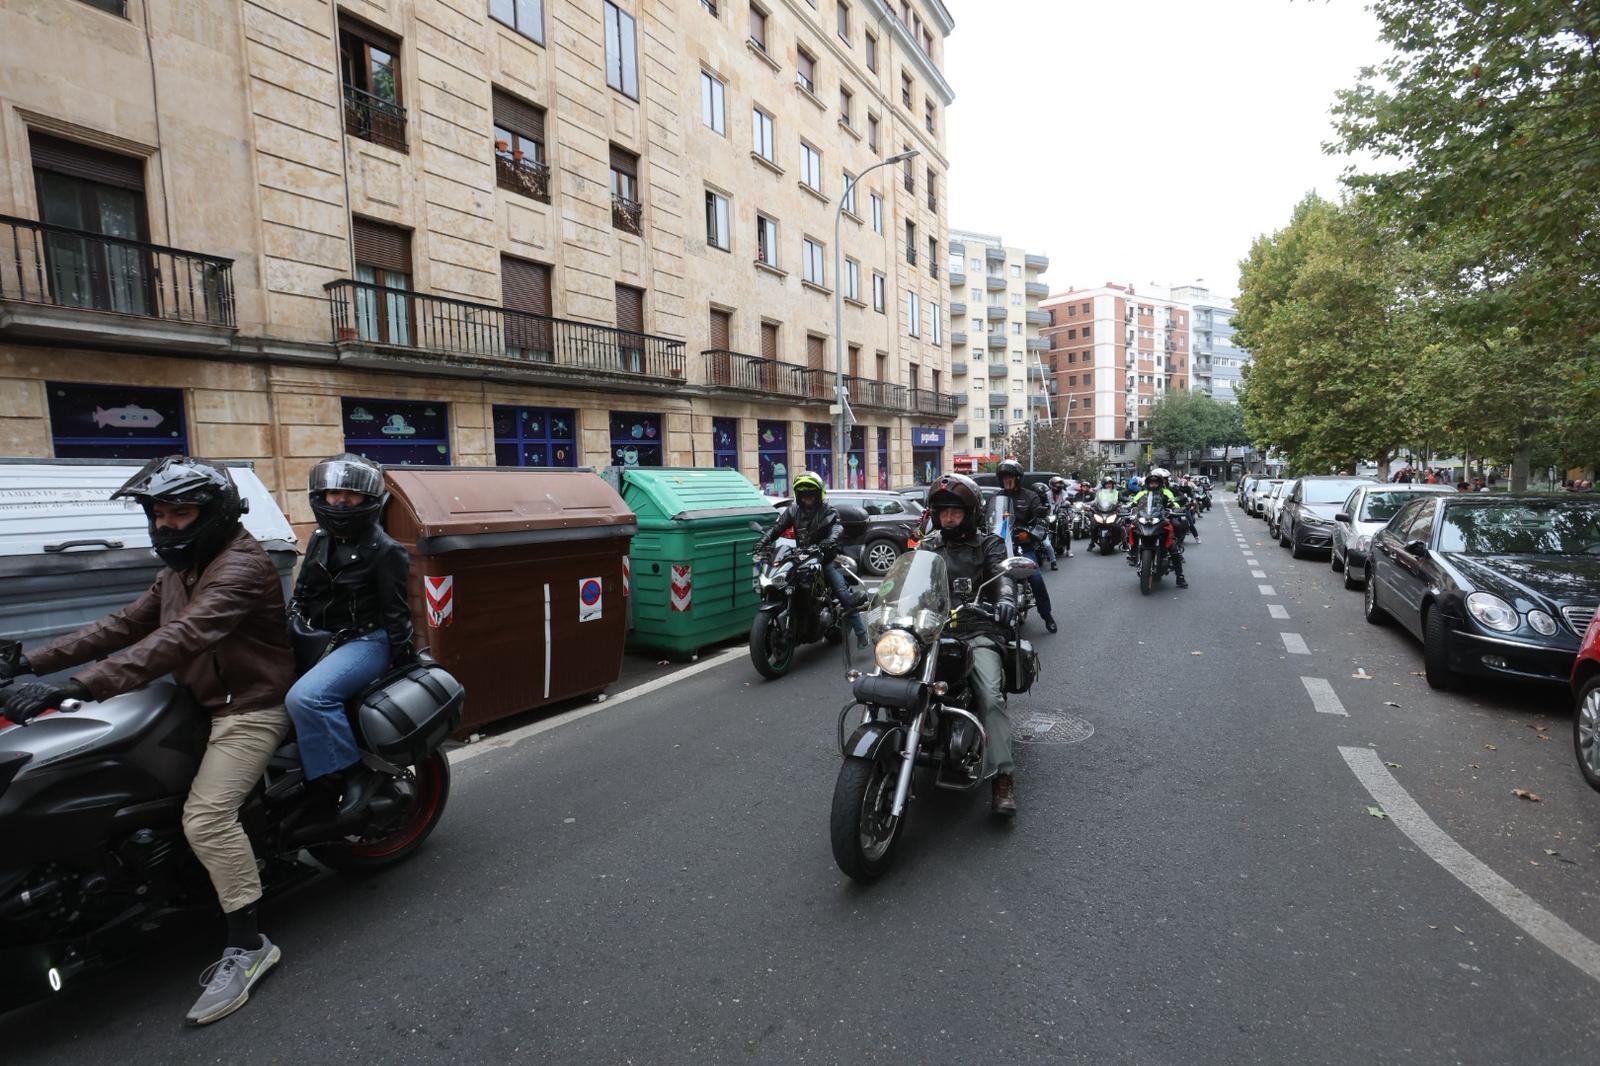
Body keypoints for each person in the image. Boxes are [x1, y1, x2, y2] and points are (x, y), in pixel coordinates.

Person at [0, 457, 294, 1025]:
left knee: (206, 817)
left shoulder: (239, 566)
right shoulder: (180, 571)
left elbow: (181, 638)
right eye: (158, 513)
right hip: (195, 698)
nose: (165, 525)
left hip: (249, 706)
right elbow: (121, 625)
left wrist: (74, 684)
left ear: (213, 515)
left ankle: (250, 946)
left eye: (179, 513)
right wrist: (25, 661)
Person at [286, 454, 415, 820]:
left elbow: (396, 611)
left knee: (308, 698)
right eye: (332, 493)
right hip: (319, 637)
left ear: (369, 500)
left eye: (350, 494)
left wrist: (402, 658)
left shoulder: (386, 550)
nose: (340, 500)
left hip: (365, 642)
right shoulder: (321, 539)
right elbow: (304, 590)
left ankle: (346, 776)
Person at [918, 473, 1021, 816]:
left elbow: (1002, 576)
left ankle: (1003, 776)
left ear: (971, 513)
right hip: (931, 630)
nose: (948, 517)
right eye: (942, 511)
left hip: (976, 628)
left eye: (955, 512)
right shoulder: (929, 544)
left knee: (991, 698)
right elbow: (908, 582)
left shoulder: (989, 544)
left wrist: (1005, 599)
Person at [754, 470, 868, 647]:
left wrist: (829, 541)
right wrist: (763, 540)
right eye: (804, 495)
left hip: (824, 558)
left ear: (818, 494)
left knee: (843, 594)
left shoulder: (828, 510)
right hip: (802, 557)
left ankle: (861, 634)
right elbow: (777, 527)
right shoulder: (793, 510)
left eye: (811, 494)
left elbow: (837, 528)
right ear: (799, 496)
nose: (807, 498)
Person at [995, 459, 1058, 633]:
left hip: (1022, 545)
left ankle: (1047, 615)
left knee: (1036, 578)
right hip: (1000, 545)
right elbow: (988, 517)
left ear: (1017, 478)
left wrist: (1035, 528)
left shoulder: (1030, 496)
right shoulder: (997, 497)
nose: (1007, 480)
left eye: (1010, 477)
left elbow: (1041, 518)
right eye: (1004, 477)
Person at [1128, 467, 1189, 588]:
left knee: (1173, 548)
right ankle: (1132, 551)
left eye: (1156, 482)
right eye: (1151, 482)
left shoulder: (1165, 492)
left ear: (1160, 483)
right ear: (1148, 483)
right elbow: (1133, 503)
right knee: (1131, 527)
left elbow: (1174, 502)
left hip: (1161, 520)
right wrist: (1126, 507)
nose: (1153, 484)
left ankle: (1180, 577)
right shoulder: (1142, 493)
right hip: (1144, 519)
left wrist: (1176, 508)